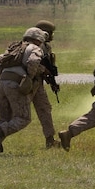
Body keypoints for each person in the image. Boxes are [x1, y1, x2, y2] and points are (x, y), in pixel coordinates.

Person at [0, 27, 48, 156]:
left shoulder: (14, 48)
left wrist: (1, 75)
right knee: (23, 118)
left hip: (1, 84)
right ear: (37, 40)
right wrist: (29, 76)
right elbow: (33, 61)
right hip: (16, 84)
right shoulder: (35, 48)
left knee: (4, 118)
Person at [33, 19, 61, 149]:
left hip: (37, 83)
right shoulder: (37, 47)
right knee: (19, 115)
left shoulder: (46, 47)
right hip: (30, 83)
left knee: (45, 109)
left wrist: (51, 81)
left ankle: (50, 140)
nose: (52, 36)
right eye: (50, 33)